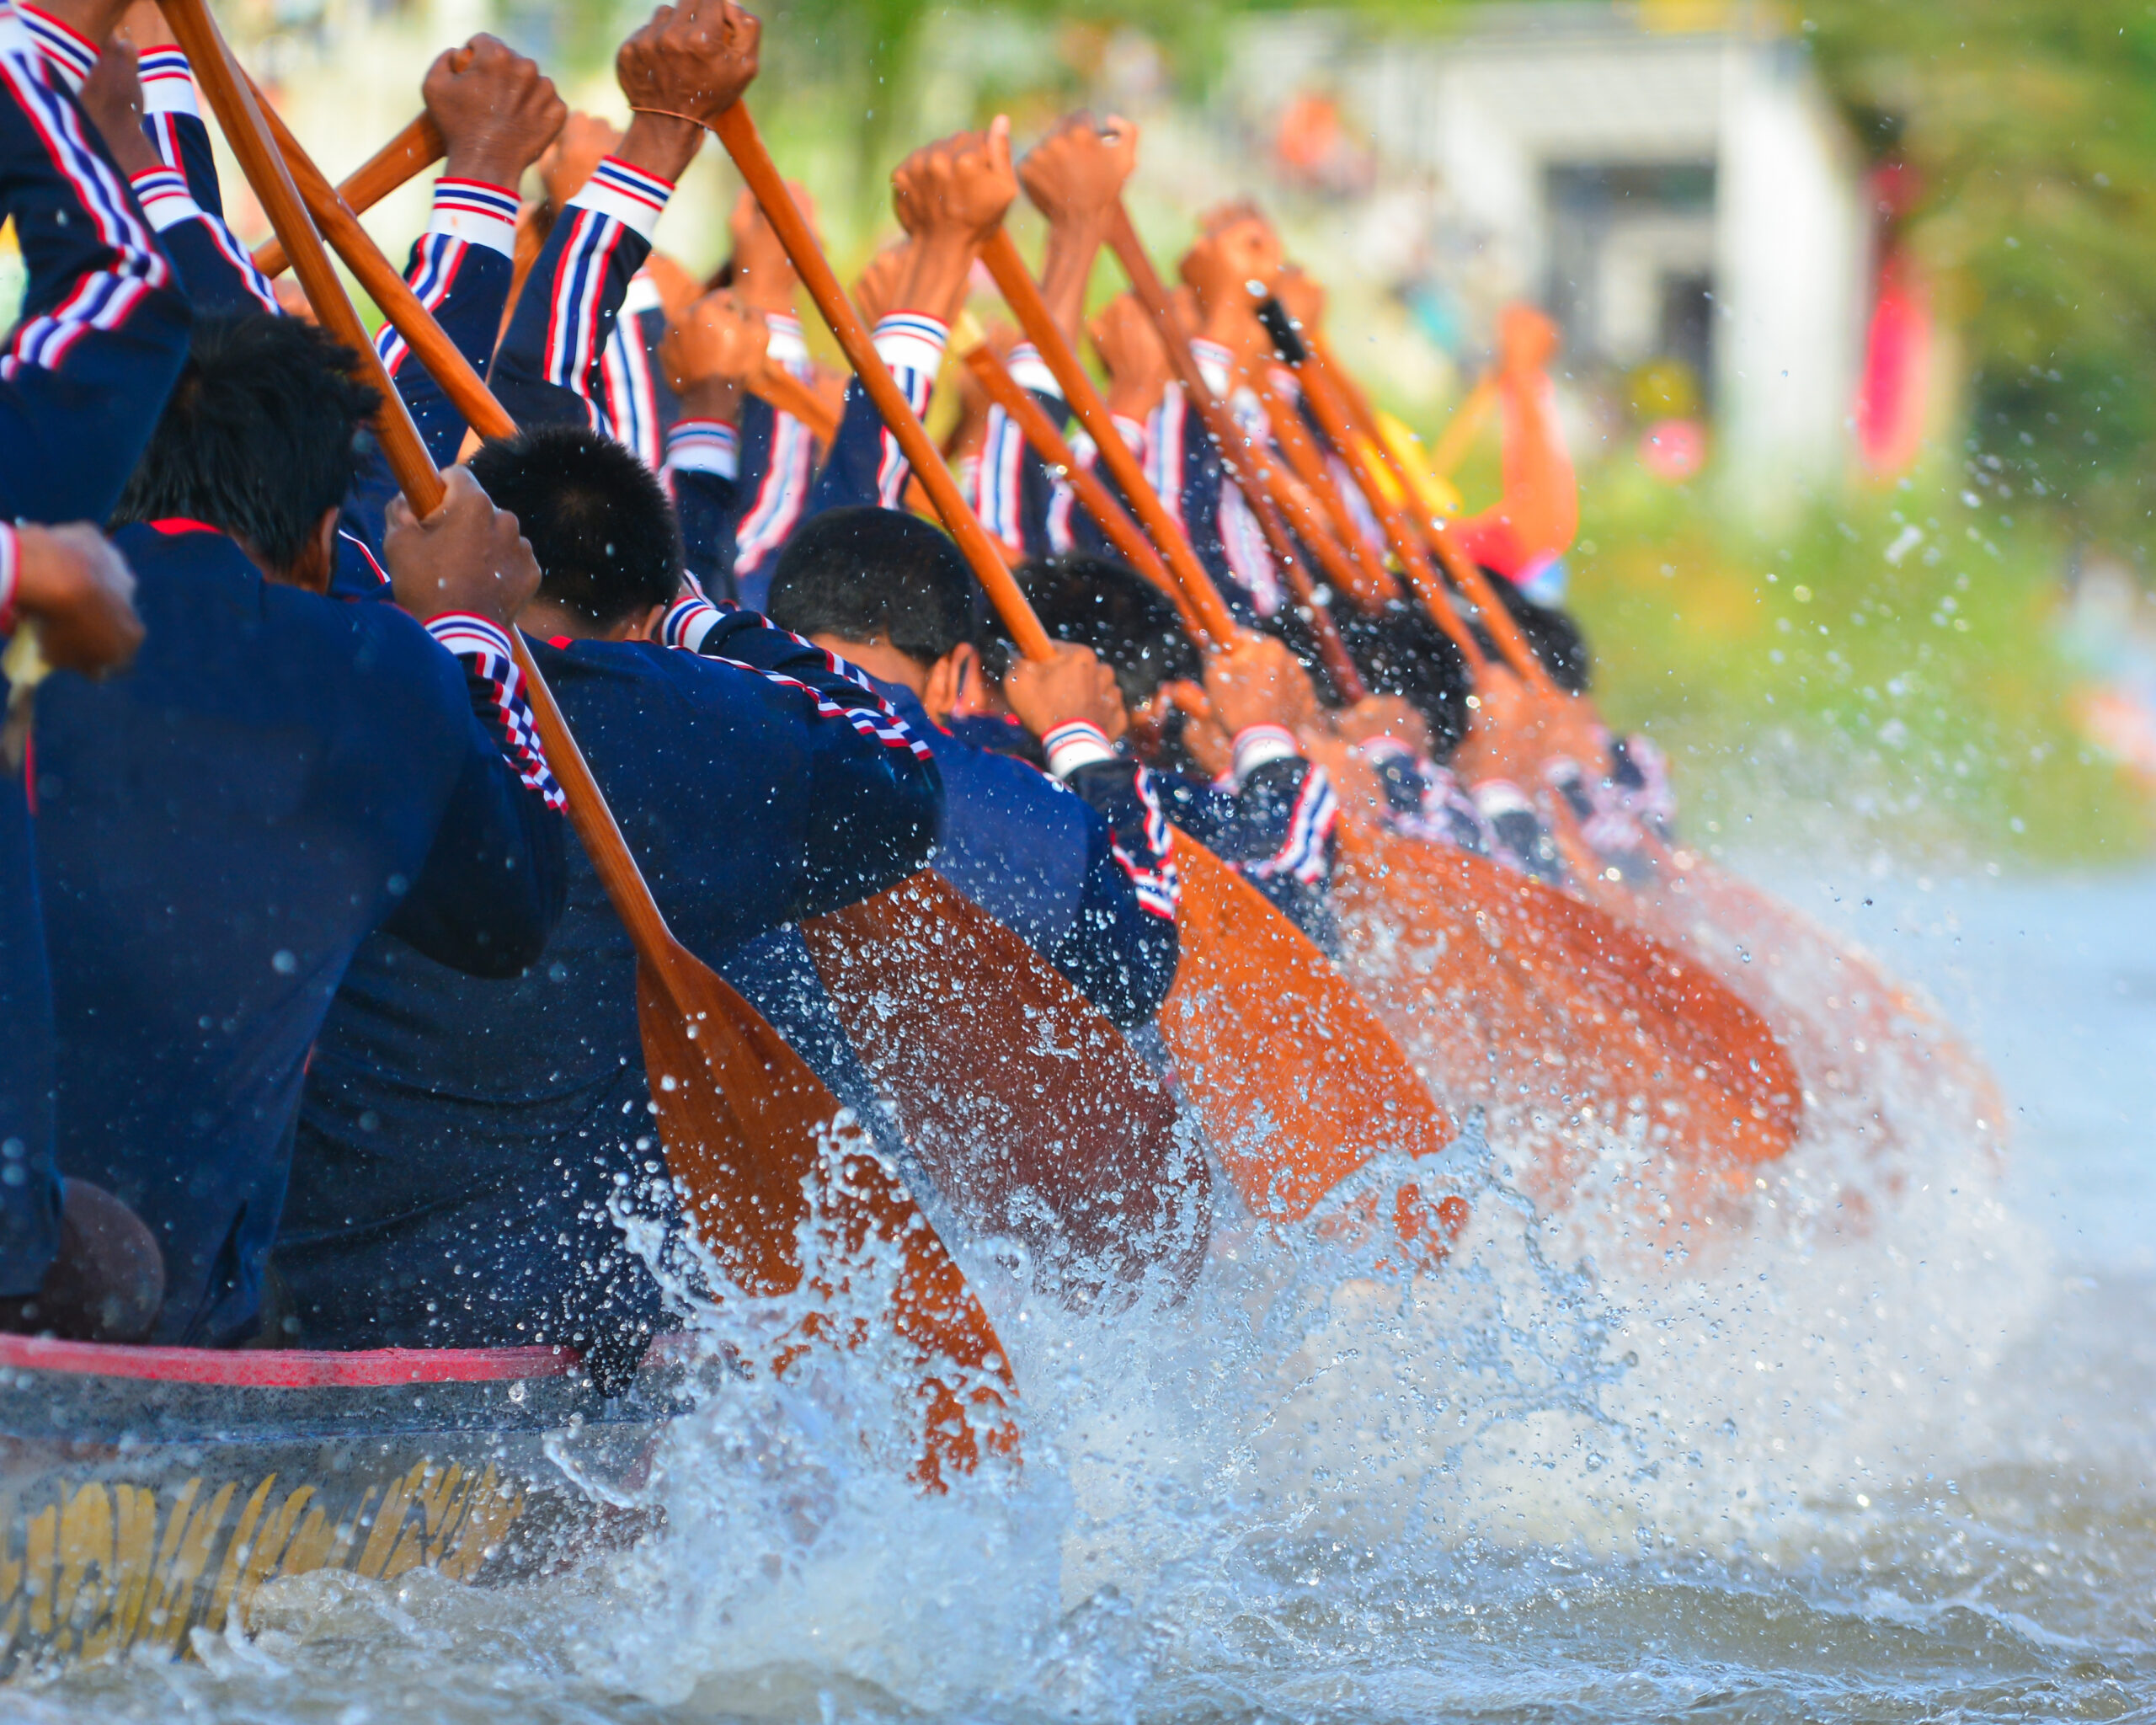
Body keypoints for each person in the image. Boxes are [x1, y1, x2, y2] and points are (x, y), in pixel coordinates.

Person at [280, 422, 942, 1373]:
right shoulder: (697, 715)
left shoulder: (329, 668)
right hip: (554, 1299)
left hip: (301, 1281)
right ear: (640, 616)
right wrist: (699, 618)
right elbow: (904, 771)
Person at [35, 312, 569, 1345]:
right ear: (326, 540)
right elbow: (512, 915)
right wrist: (467, 629)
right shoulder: (383, 669)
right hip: (152, 1309)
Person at [759, 507, 1180, 1028]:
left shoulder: (684, 716)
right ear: (952, 674)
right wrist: (1082, 742)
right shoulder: (995, 801)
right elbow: (1132, 975)